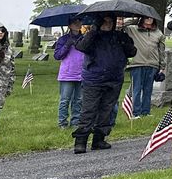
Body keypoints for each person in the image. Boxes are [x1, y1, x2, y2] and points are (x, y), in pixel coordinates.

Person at [73, 14, 136, 153]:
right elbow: (81, 46)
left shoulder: (120, 37)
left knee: (106, 110)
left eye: (110, 21)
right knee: (89, 110)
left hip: (114, 78)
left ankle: (99, 139)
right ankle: (81, 141)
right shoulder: (92, 36)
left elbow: (132, 52)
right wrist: (94, 30)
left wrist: (125, 41)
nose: (107, 24)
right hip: (94, 79)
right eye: (105, 22)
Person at [124, 17, 165, 116]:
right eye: (146, 17)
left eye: (151, 17)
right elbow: (122, 25)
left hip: (152, 64)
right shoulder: (133, 29)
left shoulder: (158, 33)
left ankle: (146, 112)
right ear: (142, 18)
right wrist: (135, 18)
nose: (149, 19)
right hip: (137, 63)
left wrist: (162, 66)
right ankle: (136, 112)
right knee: (136, 89)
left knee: (148, 90)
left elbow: (161, 51)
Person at [54, 19, 87, 128]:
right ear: (70, 25)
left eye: (79, 22)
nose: (78, 25)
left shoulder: (84, 39)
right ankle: (62, 122)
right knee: (65, 100)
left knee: (78, 100)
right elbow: (57, 55)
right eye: (75, 23)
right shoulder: (63, 39)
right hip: (67, 74)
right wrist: (67, 45)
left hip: (81, 73)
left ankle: (75, 122)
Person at [0, 22, 15, 147]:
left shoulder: (8, 49)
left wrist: (9, 86)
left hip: (0, 87)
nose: (0, 32)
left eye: (2, 30)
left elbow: (12, 69)